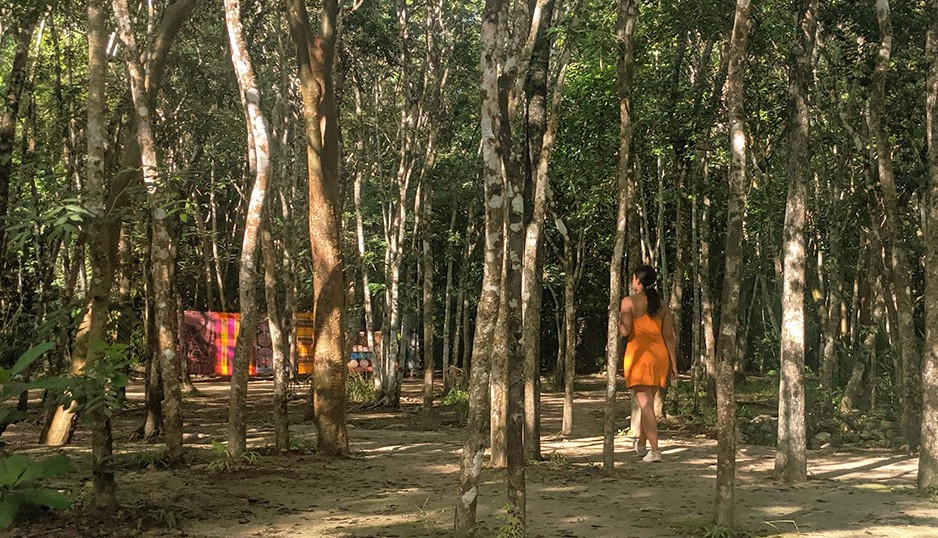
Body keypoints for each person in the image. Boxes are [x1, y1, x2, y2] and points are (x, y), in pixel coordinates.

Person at [619, 265, 678, 462]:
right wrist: (673, 362)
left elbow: (625, 331)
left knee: (645, 406)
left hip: (638, 357)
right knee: (648, 403)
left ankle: (655, 450)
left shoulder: (628, 302)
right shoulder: (661, 305)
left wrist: (618, 323)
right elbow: (668, 336)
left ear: (637, 280)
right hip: (659, 357)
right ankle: (642, 445)